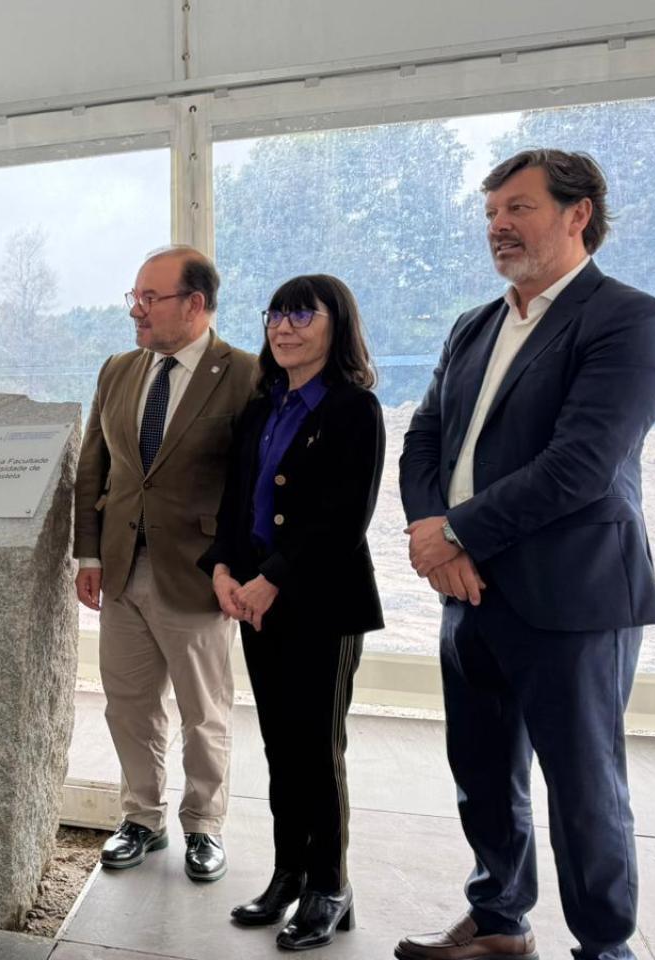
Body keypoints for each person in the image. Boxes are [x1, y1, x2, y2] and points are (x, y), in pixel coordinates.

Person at [397, 150, 655, 960]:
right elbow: (424, 437)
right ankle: (498, 919)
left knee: (584, 790)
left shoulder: (628, 318)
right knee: (483, 773)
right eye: (491, 213)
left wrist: (456, 532)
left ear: (578, 212)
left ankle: (605, 947)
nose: (498, 226)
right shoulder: (474, 324)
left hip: (573, 598)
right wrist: (431, 533)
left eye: (518, 208)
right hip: (468, 592)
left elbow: (580, 466)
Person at [198, 275, 383, 950]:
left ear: (339, 325)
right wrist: (223, 568)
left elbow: (343, 520)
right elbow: (236, 504)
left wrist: (271, 580)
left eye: (303, 315)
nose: (284, 326)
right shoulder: (262, 406)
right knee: (281, 748)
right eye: (277, 314)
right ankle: (289, 876)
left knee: (317, 752)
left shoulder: (354, 409)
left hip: (321, 607)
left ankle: (330, 887)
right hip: (256, 602)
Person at [73, 244, 258, 881]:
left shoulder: (246, 374)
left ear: (196, 304)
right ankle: (141, 819)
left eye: (151, 298)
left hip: (201, 573)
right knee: (128, 705)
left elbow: (252, 484)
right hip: (121, 568)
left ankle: (204, 825)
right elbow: (94, 466)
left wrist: (238, 565)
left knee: (203, 711)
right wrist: (88, 552)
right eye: (135, 297)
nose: (137, 310)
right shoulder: (118, 370)